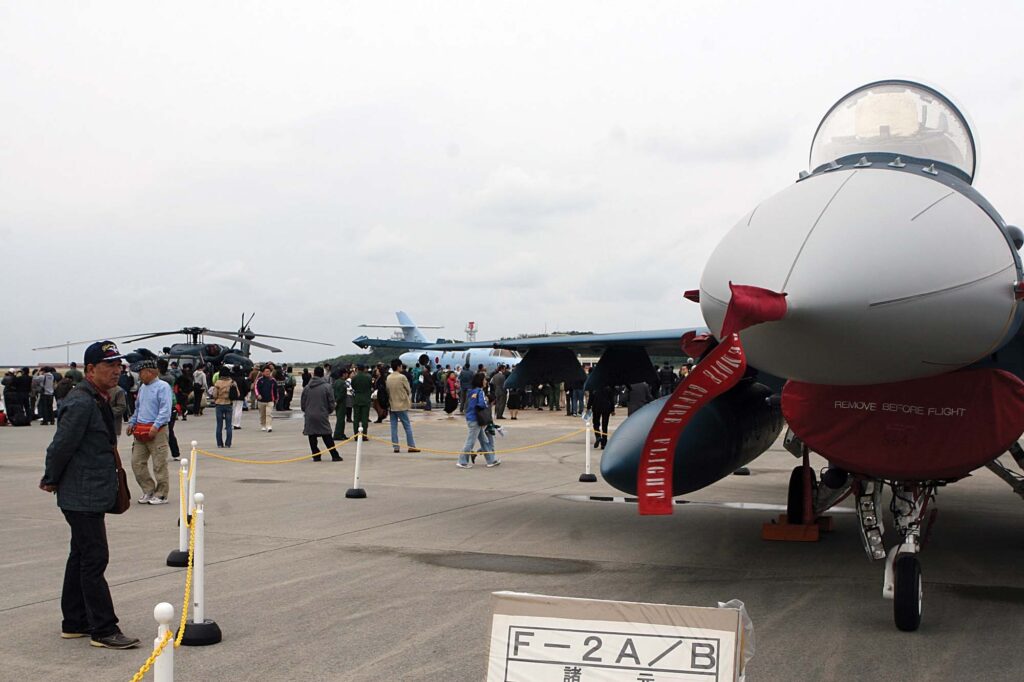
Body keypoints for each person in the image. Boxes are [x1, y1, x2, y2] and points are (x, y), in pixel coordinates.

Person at [39, 341, 140, 650]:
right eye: (109, 365)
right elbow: (60, 446)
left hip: (90, 491)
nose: (117, 370)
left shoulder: (98, 398)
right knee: (95, 558)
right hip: (80, 494)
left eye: (118, 365)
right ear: (90, 369)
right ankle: (103, 629)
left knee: (81, 555)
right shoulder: (82, 402)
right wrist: (50, 479)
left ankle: (74, 622)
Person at [127, 359, 172, 504]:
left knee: (159, 464)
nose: (139, 376)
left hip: (157, 431)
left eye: (141, 373)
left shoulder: (163, 387)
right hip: (140, 429)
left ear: (150, 372)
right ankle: (149, 489)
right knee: (137, 463)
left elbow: (165, 409)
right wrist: (132, 422)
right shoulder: (142, 388)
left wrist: (156, 425)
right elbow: (138, 407)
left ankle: (161, 494)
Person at [458, 373, 500, 468]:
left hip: (471, 418)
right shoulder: (480, 392)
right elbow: (482, 404)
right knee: (470, 442)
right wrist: (486, 401)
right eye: (484, 380)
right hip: (476, 419)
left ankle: (491, 460)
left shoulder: (472, 391)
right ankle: (462, 461)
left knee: (484, 441)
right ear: (480, 381)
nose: (486, 381)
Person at [302, 366, 341, 461]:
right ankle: (334, 455)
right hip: (322, 413)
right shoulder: (327, 387)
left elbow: (303, 403)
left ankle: (316, 455)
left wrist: (306, 411)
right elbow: (331, 401)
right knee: (327, 435)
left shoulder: (307, 387)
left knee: (312, 435)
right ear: (322, 374)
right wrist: (330, 410)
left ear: (314, 374)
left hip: (310, 414)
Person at [386, 359, 420, 453]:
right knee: (407, 426)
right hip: (401, 405)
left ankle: (396, 447)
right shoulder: (402, 377)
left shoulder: (388, 377)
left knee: (393, 427)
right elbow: (408, 390)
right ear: (398, 366)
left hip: (392, 404)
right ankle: (411, 446)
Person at [156, 359, 181, 460]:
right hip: (171, 404)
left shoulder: (159, 379)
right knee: (170, 430)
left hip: (162, 405)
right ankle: (175, 453)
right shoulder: (171, 377)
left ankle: (160, 452)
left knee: (162, 430)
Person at [210, 369, 237, 448]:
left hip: (219, 404)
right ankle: (228, 443)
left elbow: (214, 394)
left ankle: (219, 444)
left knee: (219, 425)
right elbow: (237, 393)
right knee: (228, 425)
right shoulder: (232, 382)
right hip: (228, 403)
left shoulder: (218, 382)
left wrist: (216, 399)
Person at [587, 384, 616, 449]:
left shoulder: (593, 387)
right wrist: (612, 410)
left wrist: (588, 407)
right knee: (605, 425)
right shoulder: (608, 387)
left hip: (596, 407)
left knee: (596, 424)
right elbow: (611, 399)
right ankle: (604, 443)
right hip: (606, 408)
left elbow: (591, 398)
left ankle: (598, 436)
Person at [350, 364, 372, 439]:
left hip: (357, 398)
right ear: (364, 369)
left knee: (356, 418)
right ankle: (364, 435)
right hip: (366, 398)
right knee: (364, 419)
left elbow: (353, 386)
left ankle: (356, 435)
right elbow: (370, 386)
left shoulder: (354, 377)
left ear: (357, 369)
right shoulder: (368, 377)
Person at [254, 366, 276, 432]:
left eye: (268, 371)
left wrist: (276, 398)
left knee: (269, 414)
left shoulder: (273, 380)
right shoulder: (259, 380)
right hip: (261, 400)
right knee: (262, 414)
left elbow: (275, 390)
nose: (267, 373)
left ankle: (269, 426)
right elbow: (256, 388)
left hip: (270, 400)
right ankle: (263, 425)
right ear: (263, 372)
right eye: (266, 371)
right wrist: (258, 395)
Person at [332, 368, 350, 441]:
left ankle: (341, 434)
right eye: (346, 373)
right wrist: (337, 401)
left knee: (340, 419)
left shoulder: (336, 382)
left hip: (337, 402)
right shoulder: (342, 383)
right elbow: (341, 394)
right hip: (341, 403)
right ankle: (338, 434)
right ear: (343, 374)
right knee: (341, 420)